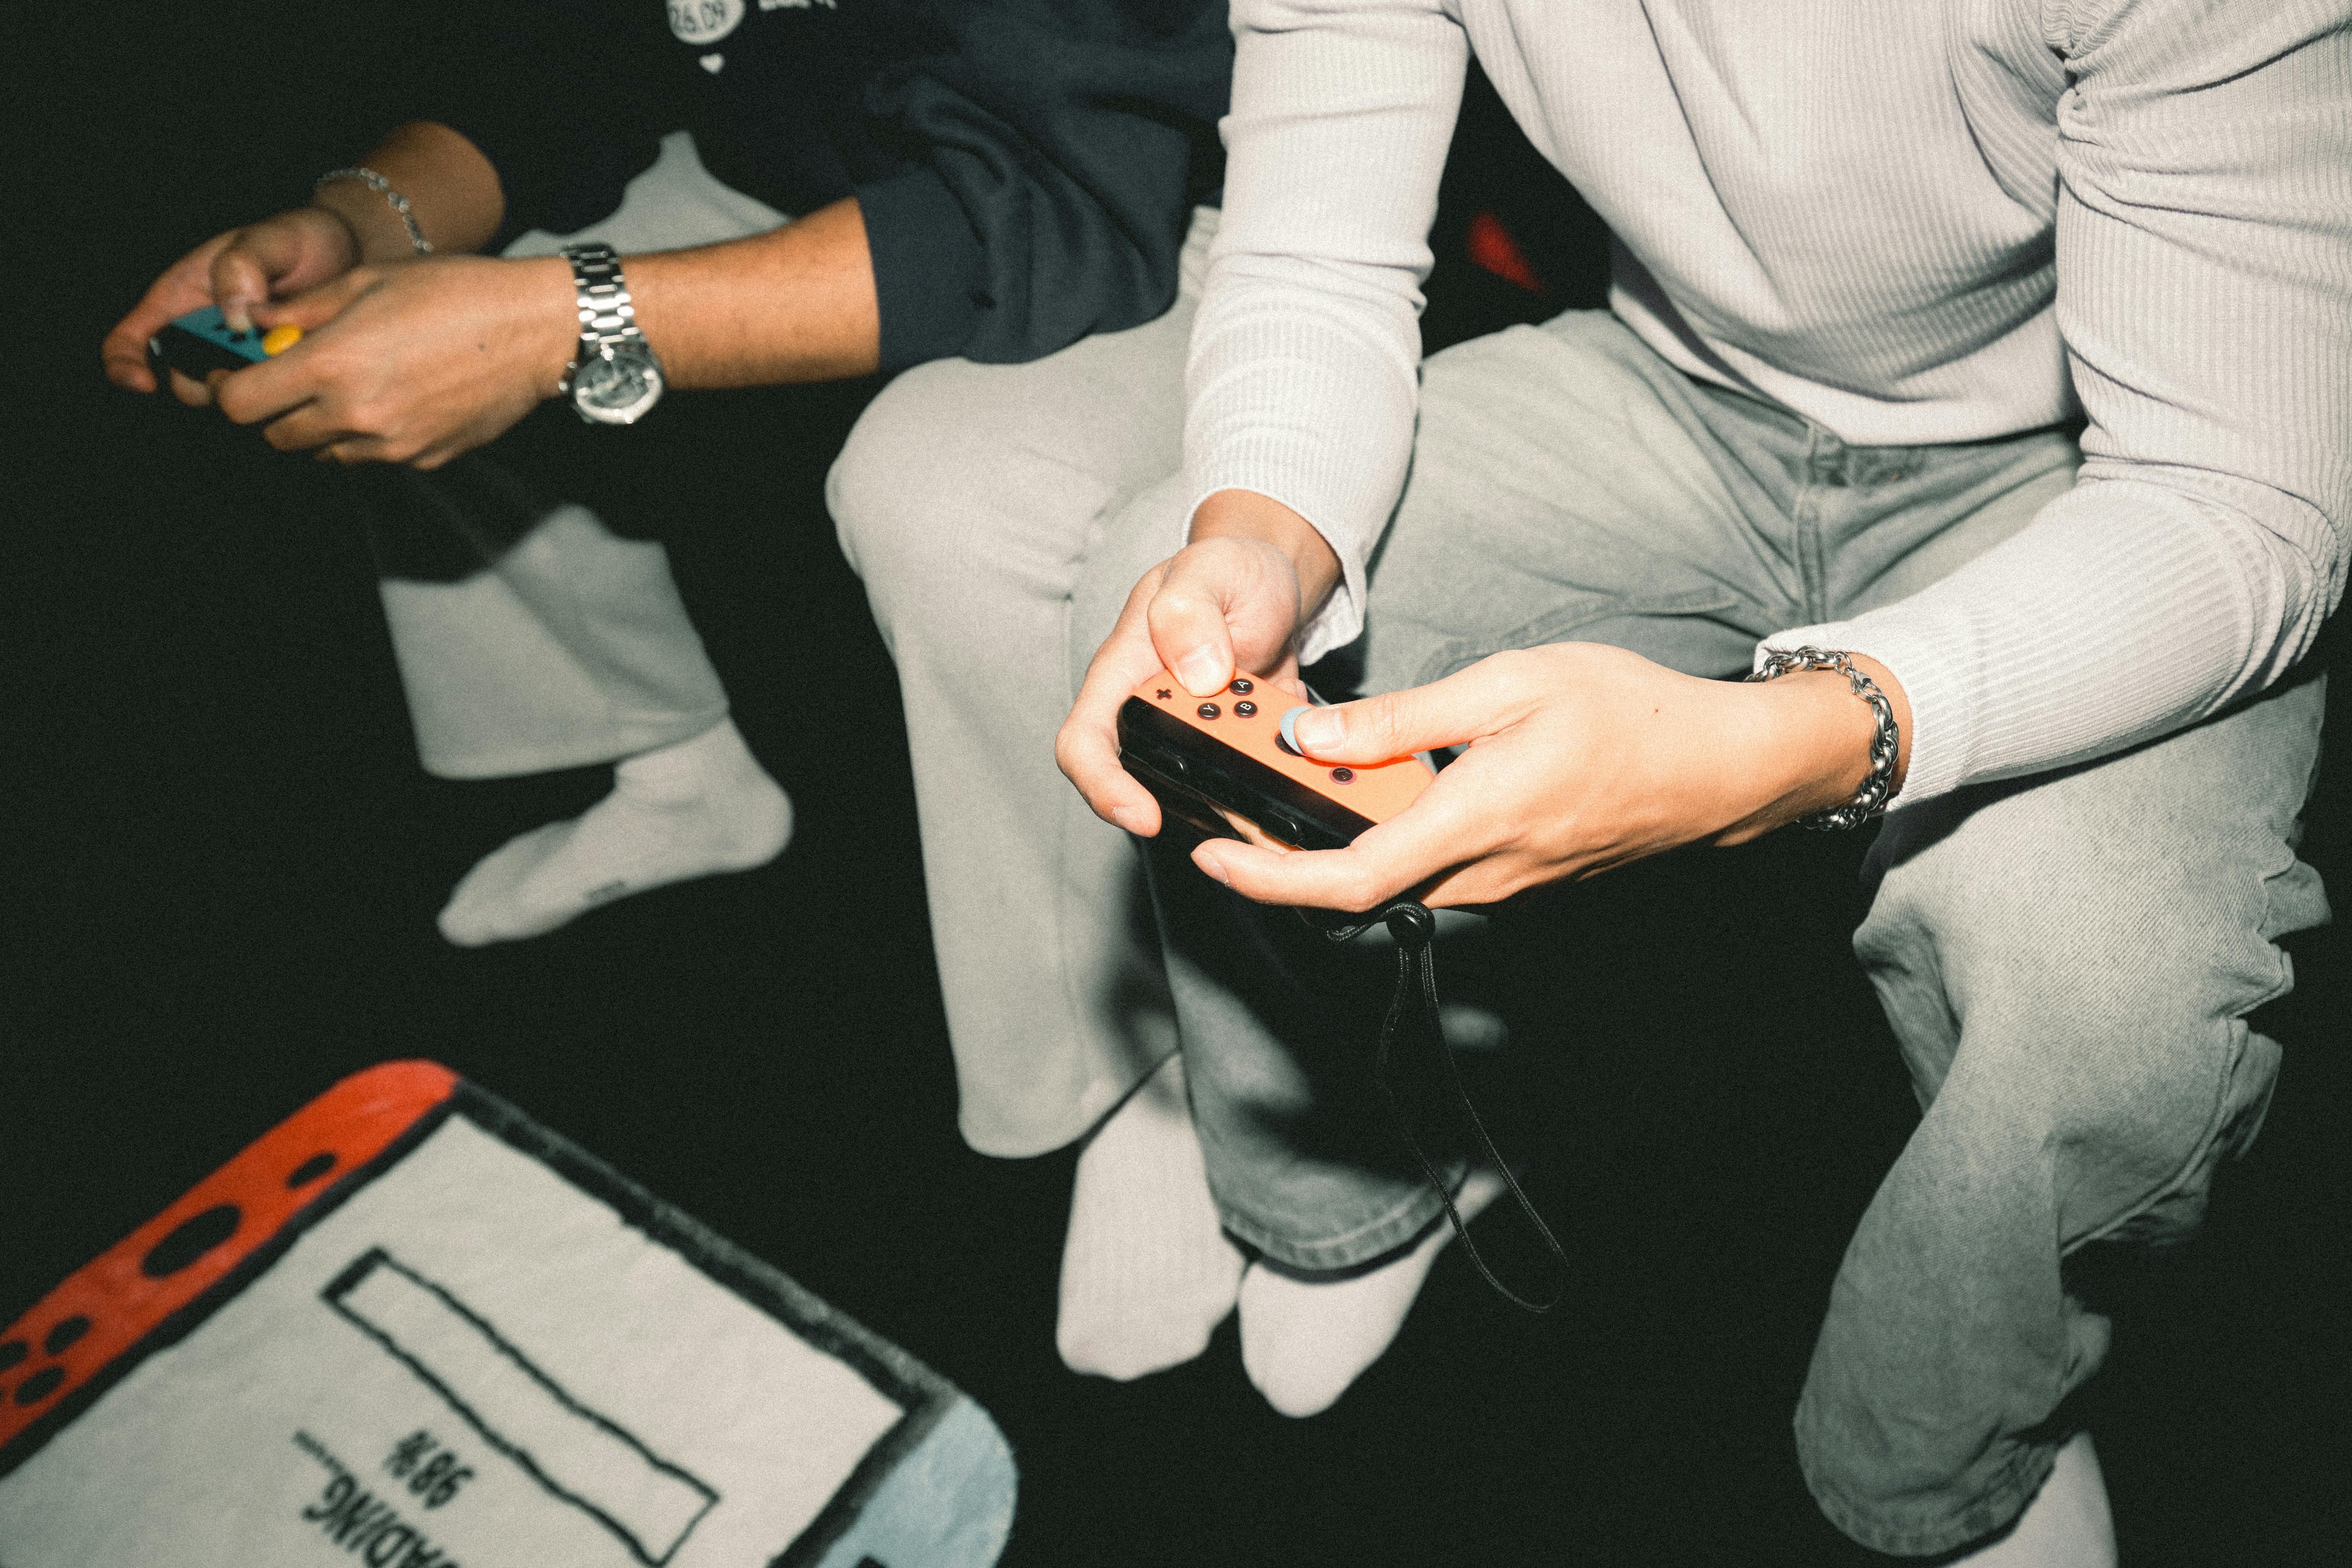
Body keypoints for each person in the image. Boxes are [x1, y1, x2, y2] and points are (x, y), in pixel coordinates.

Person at [835, 0, 2349, 1560]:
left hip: (2097, 466)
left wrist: (1764, 751)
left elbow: (2240, 497)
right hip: (1676, 380)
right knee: (1160, 611)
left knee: (2109, 972)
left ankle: (1953, 1445)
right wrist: (1265, 532)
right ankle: (1343, 1188)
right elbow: (1317, 254)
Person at [100, 0, 1230, 948]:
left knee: (943, 498)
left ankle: (1111, 1068)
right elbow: (556, 59)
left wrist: (557, 327)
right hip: (837, 136)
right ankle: (678, 772)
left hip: (1156, 186)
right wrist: (362, 226)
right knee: (377, 331)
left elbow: (1058, 207)